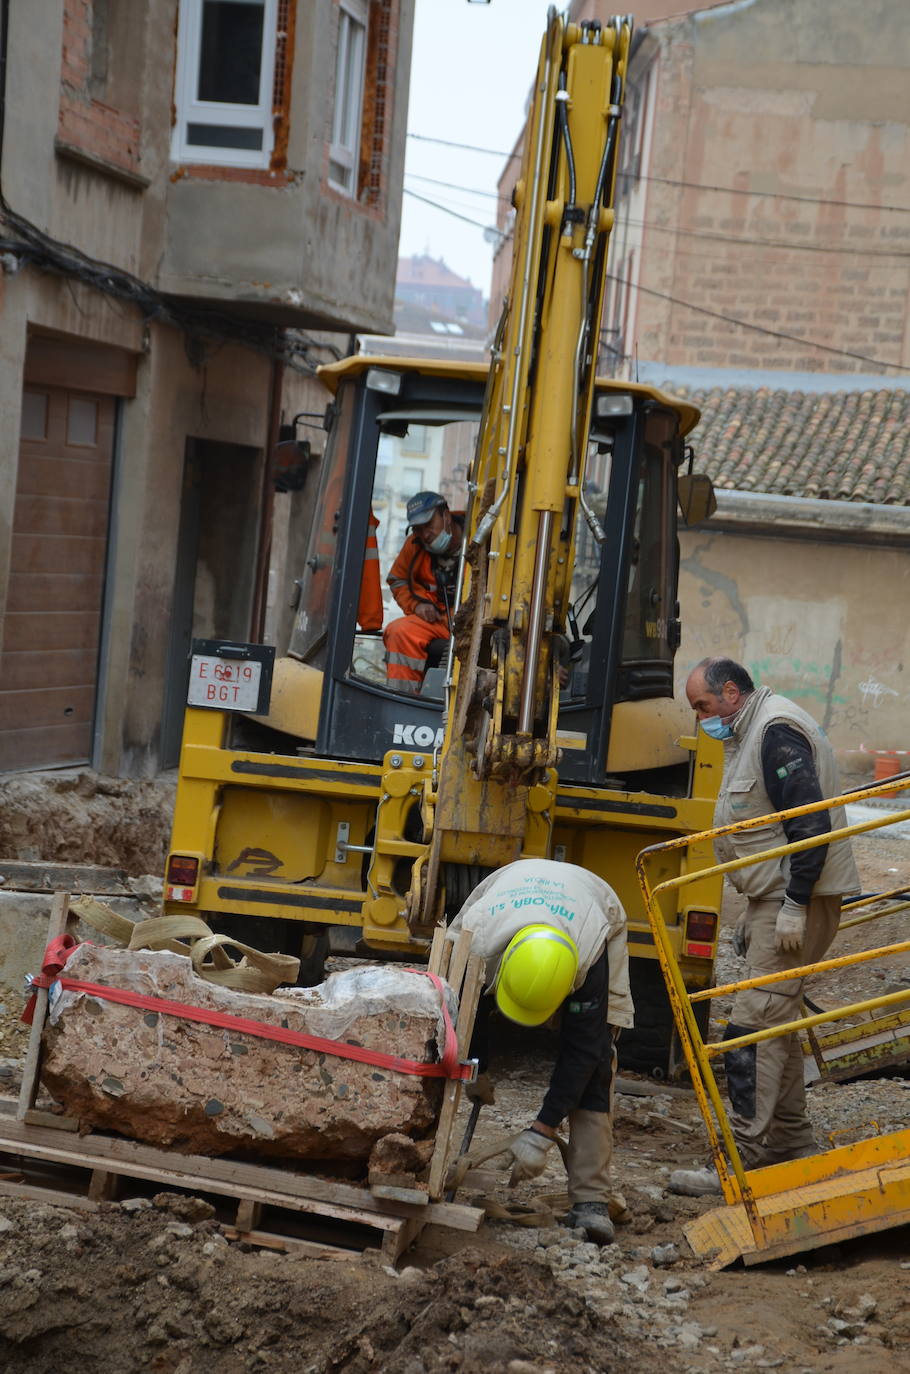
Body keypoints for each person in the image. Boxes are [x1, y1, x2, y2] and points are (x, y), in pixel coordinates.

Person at [669, 657, 860, 1196]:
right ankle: (793, 1142)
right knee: (778, 1022)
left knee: (751, 1030)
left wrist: (794, 904)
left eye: (704, 706)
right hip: (774, 899)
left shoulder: (775, 732)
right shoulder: (752, 730)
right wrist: (760, 910)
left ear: (731, 692)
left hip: (795, 898)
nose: (701, 718)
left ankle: (743, 1158)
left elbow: (809, 823)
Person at [446, 858, 634, 1243]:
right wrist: (477, 1067)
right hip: (507, 894)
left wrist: (541, 1133)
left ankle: (591, 1199)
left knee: (597, 1058)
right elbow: (466, 1013)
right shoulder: (476, 939)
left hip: (594, 904)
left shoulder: (589, 957)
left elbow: (581, 1053)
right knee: (452, 1021)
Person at [384, 491, 463, 694]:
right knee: (398, 631)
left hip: (472, 623)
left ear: (446, 516)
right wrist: (417, 606)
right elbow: (397, 580)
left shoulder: (483, 539)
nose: (425, 534)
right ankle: (402, 700)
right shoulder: (414, 545)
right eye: (418, 529)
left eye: (429, 525)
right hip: (437, 621)